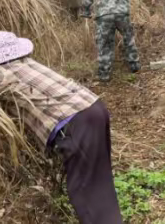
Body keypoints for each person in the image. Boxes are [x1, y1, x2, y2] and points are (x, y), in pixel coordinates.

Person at [0, 31, 122, 224]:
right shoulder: (27, 64)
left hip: (76, 122)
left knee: (84, 192)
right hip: (93, 108)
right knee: (98, 186)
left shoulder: (4, 73)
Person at [82, 0, 140, 82]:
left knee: (105, 43)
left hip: (104, 15)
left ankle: (104, 74)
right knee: (129, 39)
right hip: (122, 15)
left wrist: (86, 11)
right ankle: (135, 66)